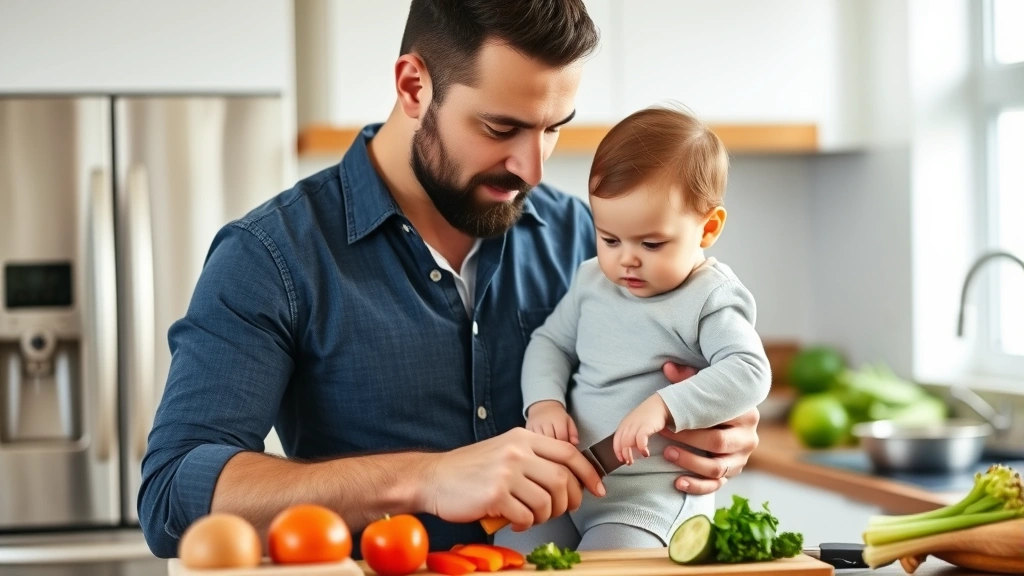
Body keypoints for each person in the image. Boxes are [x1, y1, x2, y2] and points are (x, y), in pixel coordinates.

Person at [138, 0, 761, 558]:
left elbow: (705, 372)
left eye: (553, 127)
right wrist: (424, 478)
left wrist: (718, 430)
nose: (533, 168)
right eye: (500, 128)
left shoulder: (589, 242)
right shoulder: (272, 257)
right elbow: (172, 494)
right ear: (414, 86)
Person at [495, 106, 771, 552]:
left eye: (651, 243)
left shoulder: (710, 297)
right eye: (609, 239)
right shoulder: (591, 281)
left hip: (649, 503)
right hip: (569, 488)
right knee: (509, 550)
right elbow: (550, 343)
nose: (626, 259)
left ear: (708, 227)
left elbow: (750, 370)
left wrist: (663, 406)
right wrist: (543, 403)